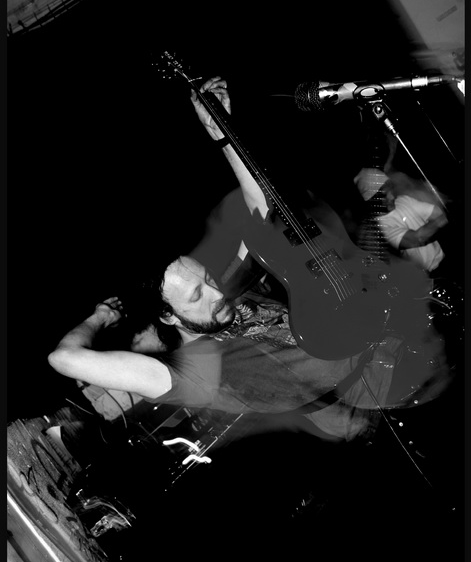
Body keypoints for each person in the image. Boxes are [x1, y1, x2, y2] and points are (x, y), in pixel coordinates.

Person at [48, 77, 452, 444]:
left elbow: (262, 207)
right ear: (169, 316)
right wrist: (100, 317)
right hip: (397, 392)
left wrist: (222, 134)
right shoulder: (197, 373)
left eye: (207, 279)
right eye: (196, 296)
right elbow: (64, 359)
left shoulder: (224, 296)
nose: (216, 292)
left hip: (407, 338)